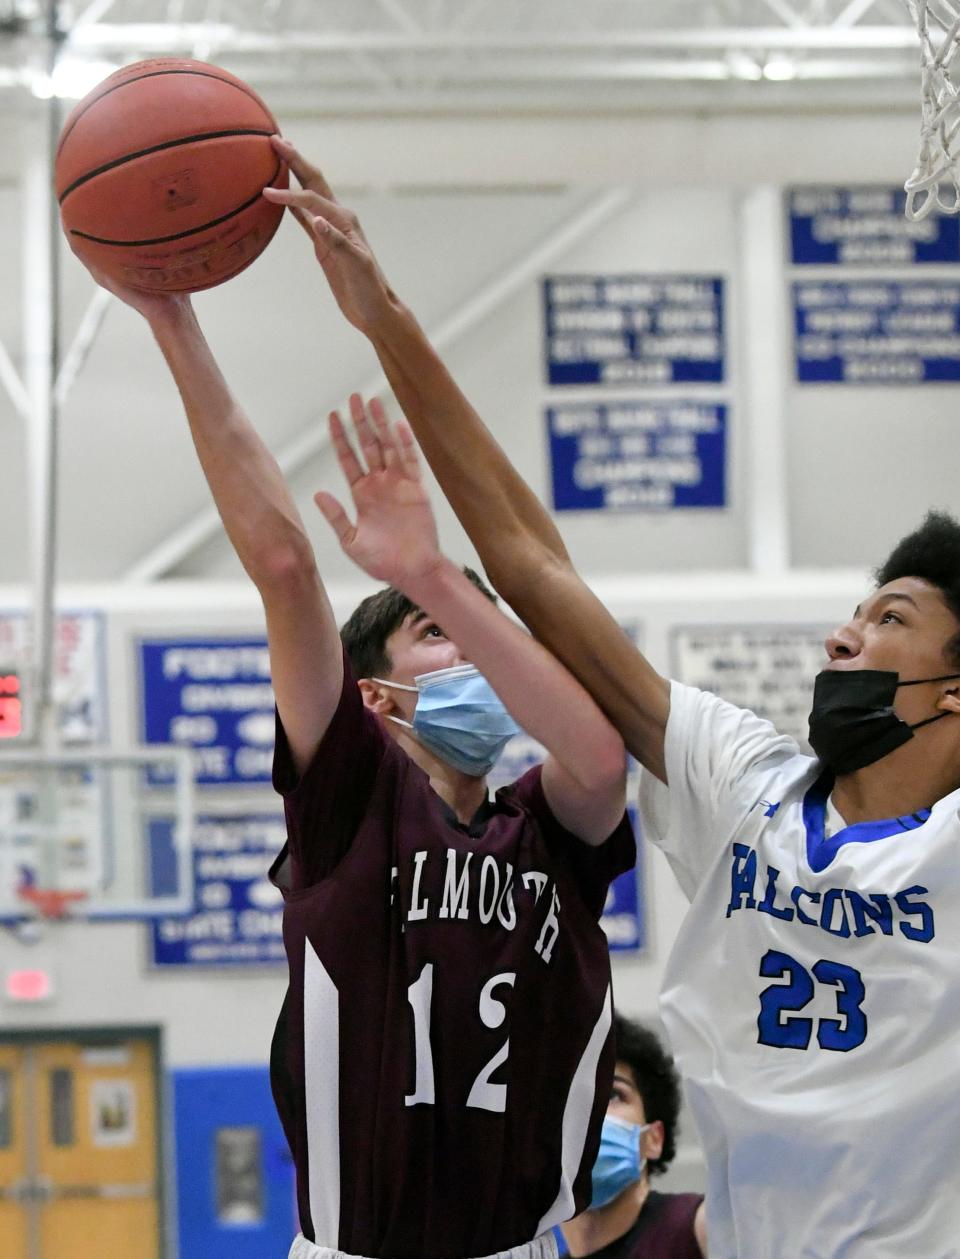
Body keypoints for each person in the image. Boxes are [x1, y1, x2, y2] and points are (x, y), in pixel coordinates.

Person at [264, 138, 960, 1257]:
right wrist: (384, 317)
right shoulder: (748, 780)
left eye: (888, 619)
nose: (844, 630)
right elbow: (536, 567)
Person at [74, 254, 636, 1257]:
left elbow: (598, 754)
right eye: (435, 630)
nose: (471, 646)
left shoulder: (548, 822)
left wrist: (441, 574)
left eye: (481, 628)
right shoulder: (353, 800)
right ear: (376, 695)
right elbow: (287, 567)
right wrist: (175, 326)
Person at [560, 1014, 706, 1259]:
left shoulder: (701, 1230)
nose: (588, 1113)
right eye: (566, 1098)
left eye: (612, 1095)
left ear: (653, 1138)